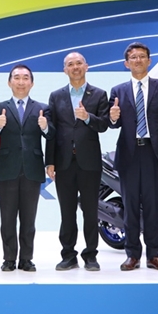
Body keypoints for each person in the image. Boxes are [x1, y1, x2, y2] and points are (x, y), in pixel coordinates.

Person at [109, 42, 158, 271]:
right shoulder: (118, 91)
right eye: (133, 57)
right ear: (126, 63)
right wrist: (113, 117)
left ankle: (154, 255)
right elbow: (113, 124)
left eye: (141, 56)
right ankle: (132, 255)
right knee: (130, 207)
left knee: (151, 206)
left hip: (153, 153)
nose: (137, 60)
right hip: (128, 154)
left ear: (149, 60)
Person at [0, 64, 55, 272]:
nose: (21, 82)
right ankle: (9, 258)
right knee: (7, 218)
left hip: (32, 169)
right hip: (7, 168)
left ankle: (26, 258)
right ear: (9, 82)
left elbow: (52, 135)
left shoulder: (42, 108)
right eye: (16, 77)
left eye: (25, 78)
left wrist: (45, 127)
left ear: (32, 83)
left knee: (29, 219)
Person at [45, 52, 109, 272]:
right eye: (70, 64)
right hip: (64, 162)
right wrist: (49, 161)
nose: (75, 67)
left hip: (89, 162)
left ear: (86, 66)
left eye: (79, 63)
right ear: (65, 70)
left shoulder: (99, 94)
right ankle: (68, 255)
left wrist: (87, 117)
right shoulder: (56, 96)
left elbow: (104, 125)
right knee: (67, 211)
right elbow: (51, 131)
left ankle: (91, 255)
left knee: (90, 212)